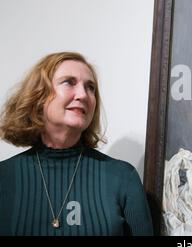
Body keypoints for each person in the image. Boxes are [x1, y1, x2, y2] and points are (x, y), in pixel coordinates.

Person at [0, 52, 153, 235]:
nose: (83, 94)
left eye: (90, 87)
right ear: (38, 96)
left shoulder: (122, 178)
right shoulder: (5, 177)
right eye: (69, 82)